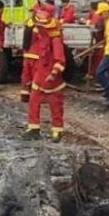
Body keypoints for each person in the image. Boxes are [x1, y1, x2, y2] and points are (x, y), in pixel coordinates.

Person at [24, 9, 67, 142]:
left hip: (52, 80)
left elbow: (60, 60)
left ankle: (57, 130)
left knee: (55, 105)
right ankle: (34, 128)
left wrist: (53, 74)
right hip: (40, 75)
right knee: (33, 101)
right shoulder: (42, 37)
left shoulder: (55, 40)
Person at [19, 13, 39, 102]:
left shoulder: (28, 24)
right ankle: (36, 96)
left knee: (26, 75)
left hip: (27, 53)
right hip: (36, 54)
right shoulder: (38, 29)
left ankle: (24, 95)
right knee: (36, 76)